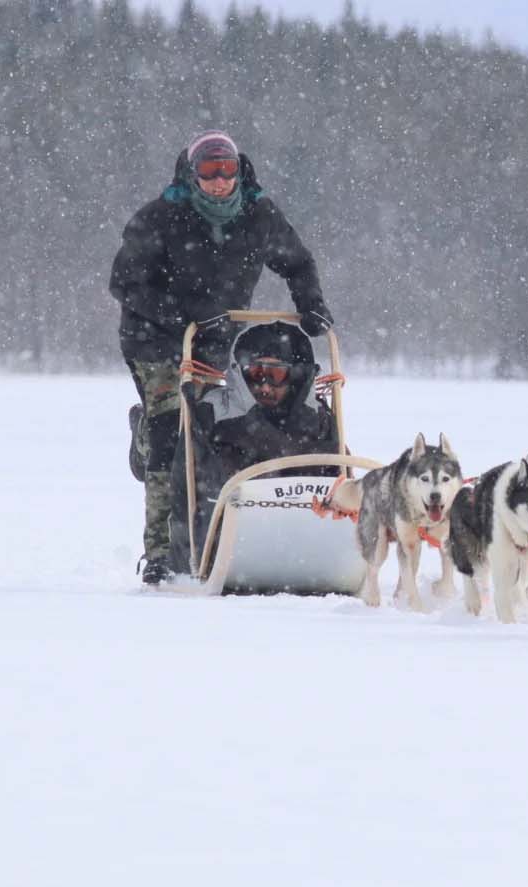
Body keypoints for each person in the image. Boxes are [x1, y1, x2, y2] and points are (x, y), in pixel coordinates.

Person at [110, 130, 335, 585]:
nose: (219, 181)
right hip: (155, 338)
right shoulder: (162, 216)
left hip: (216, 341)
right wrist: (185, 316)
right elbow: (124, 283)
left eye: (226, 170)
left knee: (212, 427)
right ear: (192, 176)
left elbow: (297, 262)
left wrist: (311, 303)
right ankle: (160, 551)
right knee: (170, 428)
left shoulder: (258, 214)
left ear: (239, 172)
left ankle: (217, 527)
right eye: (209, 172)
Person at [167, 322, 342, 577]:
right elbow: (183, 490)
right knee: (166, 450)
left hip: (301, 545)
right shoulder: (213, 412)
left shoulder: (318, 419)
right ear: (240, 373)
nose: (265, 386)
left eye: (276, 375)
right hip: (228, 541)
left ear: (294, 377)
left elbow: (340, 478)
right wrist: (182, 561)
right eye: (255, 374)